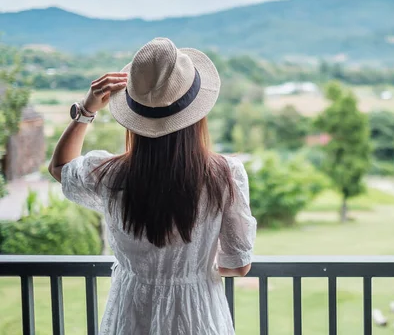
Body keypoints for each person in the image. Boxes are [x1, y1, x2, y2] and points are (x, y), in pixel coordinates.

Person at [48, 38, 257, 334]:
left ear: (135, 117)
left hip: (131, 312)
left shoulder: (111, 174)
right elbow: (237, 265)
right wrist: (191, 268)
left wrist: (86, 110)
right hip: (196, 316)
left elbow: (59, 168)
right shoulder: (224, 174)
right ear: (197, 114)